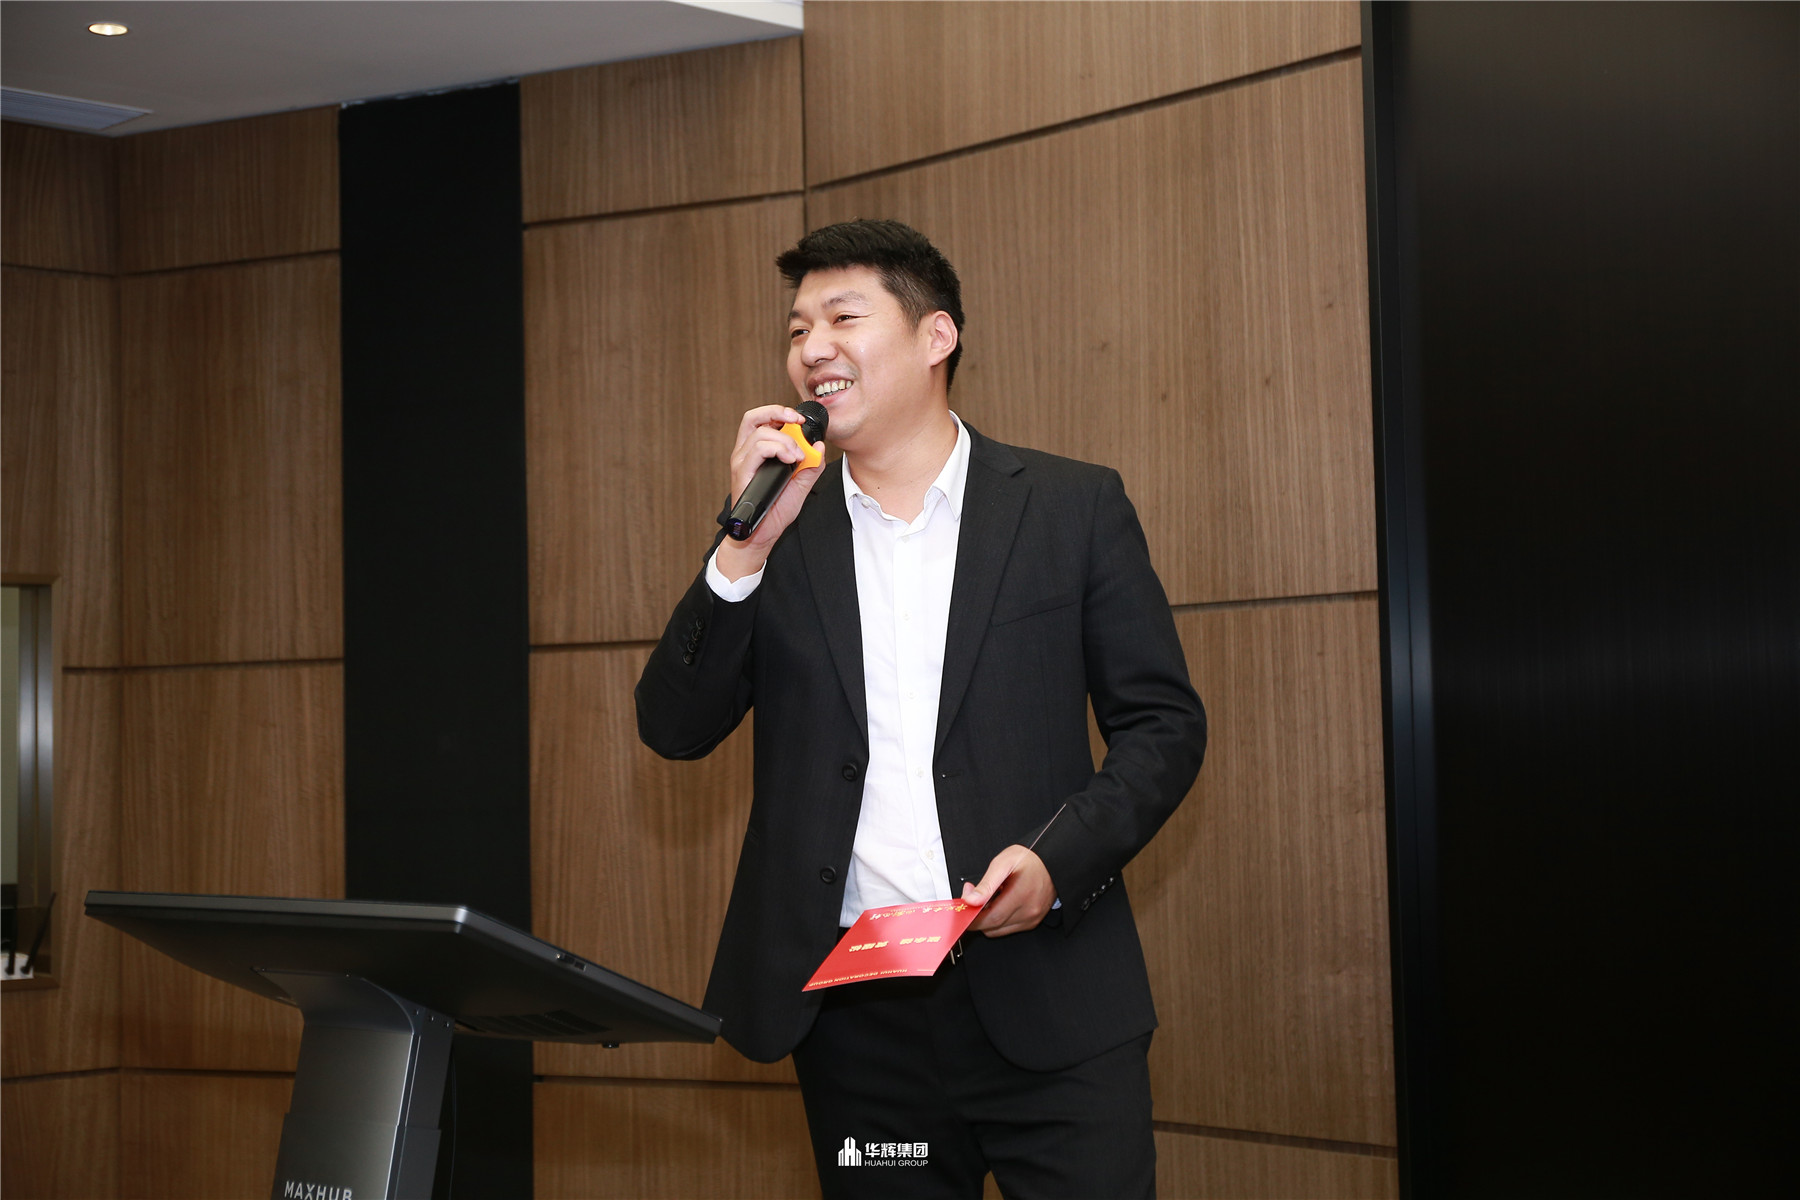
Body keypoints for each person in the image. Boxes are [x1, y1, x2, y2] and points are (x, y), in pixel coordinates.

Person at [636, 219, 1205, 1198]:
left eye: (843, 318)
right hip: (859, 1031)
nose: (812, 348)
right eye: (797, 329)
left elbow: (1163, 727)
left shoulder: (1069, 508)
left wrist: (1057, 862)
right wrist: (741, 551)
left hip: (1053, 1002)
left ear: (936, 336)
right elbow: (673, 728)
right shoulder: (780, 537)